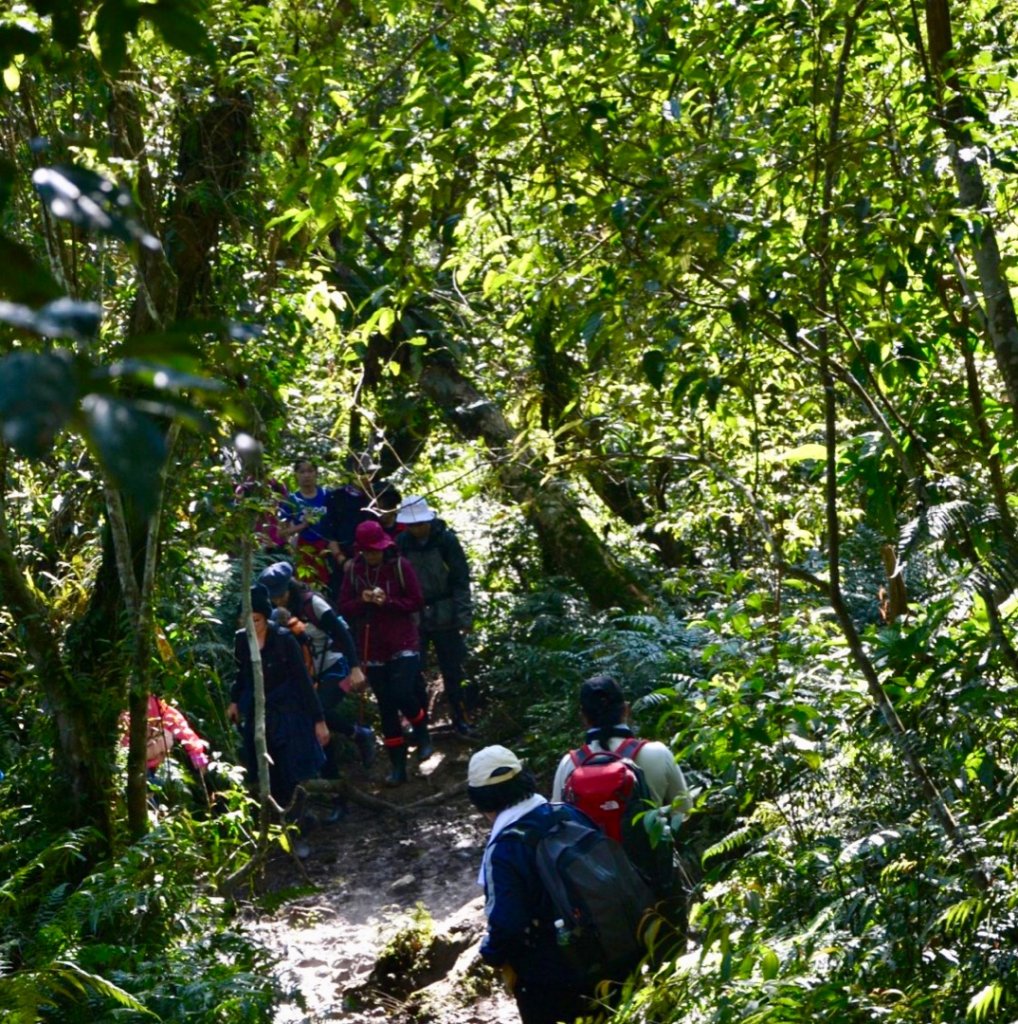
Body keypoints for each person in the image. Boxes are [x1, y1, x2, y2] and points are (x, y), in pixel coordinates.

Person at [468, 745, 593, 1024]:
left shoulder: (505, 848)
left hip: (549, 975)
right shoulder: (568, 814)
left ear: (480, 800)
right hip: (606, 948)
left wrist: (492, 954)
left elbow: (508, 922)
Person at [257, 560, 375, 777]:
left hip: (337, 665)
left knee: (318, 712)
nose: (276, 600)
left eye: (279, 594)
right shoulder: (276, 613)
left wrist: (355, 667)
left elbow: (343, 633)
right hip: (309, 672)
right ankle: (332, 781)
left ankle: (359, 734)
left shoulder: (313, 604)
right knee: (312, 718)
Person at [338, 519, 431, 786]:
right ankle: (397, 766)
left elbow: (416, 601)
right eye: (368, 551)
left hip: (403, 641)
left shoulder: (400, 566)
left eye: (376, 550)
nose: (372, 555)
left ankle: (422, 731)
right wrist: (362, 600)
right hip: (372, 645)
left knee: (402, 692)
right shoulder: (354, 571)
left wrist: (388, 601)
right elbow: (344, 606)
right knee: (387, 706)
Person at [227, 584, 330, 811]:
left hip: (288, 710)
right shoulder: (242, 641)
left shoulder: (284, 639)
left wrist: (319, 720)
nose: (252, 626)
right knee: (265, 767)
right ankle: (275, 821)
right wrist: (234, 701)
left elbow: (303, 681)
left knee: (291, 768)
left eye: (256, 620)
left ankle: (301, 819)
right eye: (246, 621)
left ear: (265, 618)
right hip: (259, 710)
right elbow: (241, 674)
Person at [551, 675, 690, 813]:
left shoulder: (569, 764)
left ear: (583, 717)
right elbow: (684, 811)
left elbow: (557, 819)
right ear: (626, 709)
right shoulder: (659, 753)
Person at [395, 495, 475, 733]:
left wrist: (464, 615)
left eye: (420, 523)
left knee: (452, 669)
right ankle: (418, 722)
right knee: (413, 670)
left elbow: (461, 579)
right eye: (412, 525)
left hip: (446, 612)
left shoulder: (446, 541)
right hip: (415, 616)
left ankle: (461, 718)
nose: (417, 529)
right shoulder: (401, 543)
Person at [120, 693, 209, 779]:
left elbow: (180, 728)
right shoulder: (126, 708)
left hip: (144, 761)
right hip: (131, 759)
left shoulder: (157, 705)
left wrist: (197, 754)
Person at [280, 458, 334, 588]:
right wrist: (302, 525)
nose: (306, 475)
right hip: (304, 549)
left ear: (316, 473)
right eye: (302, 472)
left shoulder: (328, 495)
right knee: (307, 586)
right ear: (296, 475)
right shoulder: (291, 500)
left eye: (310, 471)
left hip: (328, 547)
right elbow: (281, 532)